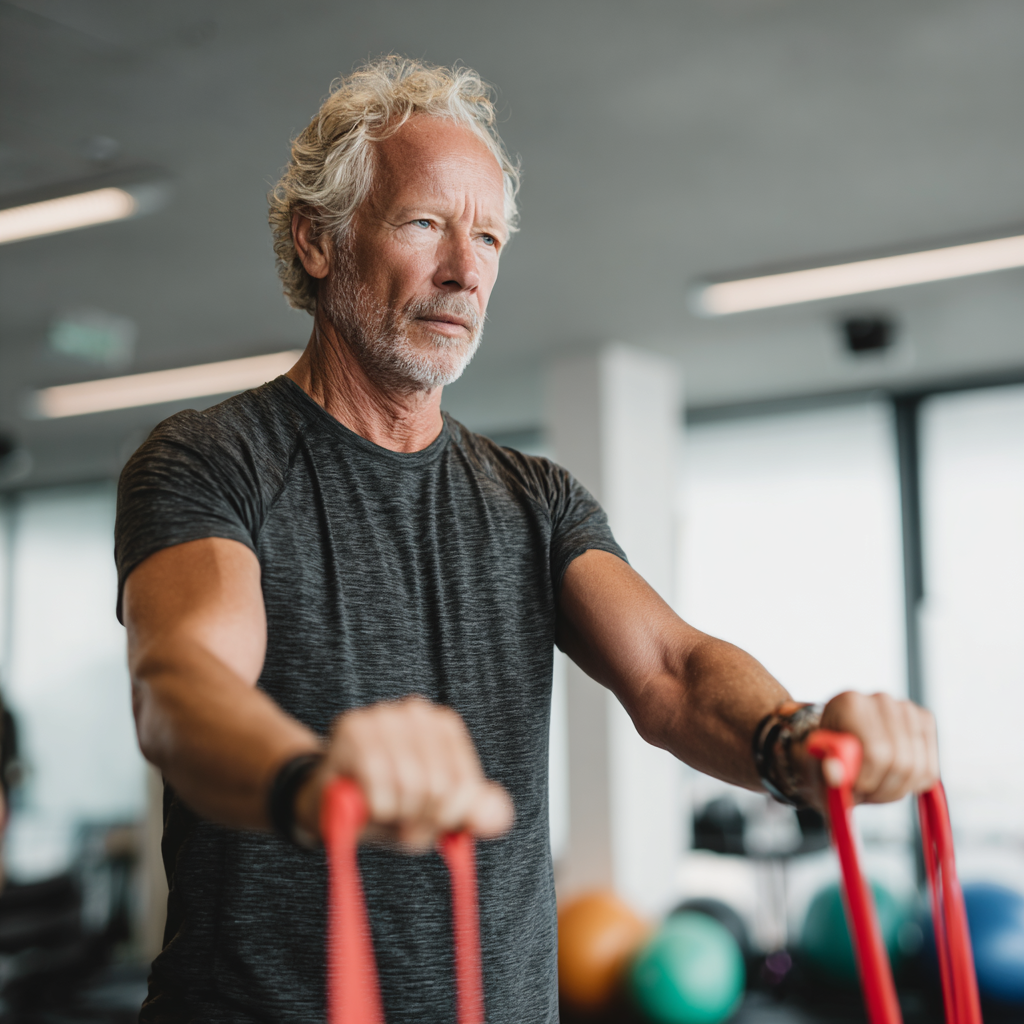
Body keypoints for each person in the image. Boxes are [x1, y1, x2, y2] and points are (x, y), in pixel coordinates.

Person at [116, 57, 938, 1024]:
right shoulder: (213, 461)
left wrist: (794, 742)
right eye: (426, 224)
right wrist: (313, 778)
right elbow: (182, 686)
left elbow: (671, 672)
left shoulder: (533, 500)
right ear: (319, 240)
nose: (467, 271)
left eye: (490, 237)